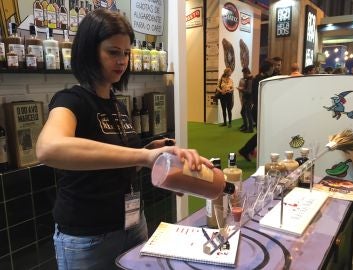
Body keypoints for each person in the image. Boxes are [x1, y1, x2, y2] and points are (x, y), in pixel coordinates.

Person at [35, 9, 213, 270]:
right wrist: (144, 155)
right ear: (89, 51)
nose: (122, 61)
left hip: (132, 225)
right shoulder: (71, 100)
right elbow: (48, 148)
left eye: (126, 53)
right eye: (113, 52)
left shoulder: (118, 105)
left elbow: (119, 161)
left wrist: (156, 153)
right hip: (88, 237)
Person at [239, 60, 274, 161]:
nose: (274, 69)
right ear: (268, 68)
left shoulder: (261, 78)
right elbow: (257, 96)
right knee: (262, 133)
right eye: (272, 67)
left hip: (259, 109)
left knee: (262, 133)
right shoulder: (260, 80)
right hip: (259, 109)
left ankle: (248, 150)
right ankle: (245, 150)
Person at [237, 67, 254, 133]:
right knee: (243, 112)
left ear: (246, 72)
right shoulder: (248, 79)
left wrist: (241, 89)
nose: (243, 75)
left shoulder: (249, 80)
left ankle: (250, 129)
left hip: (248, 99)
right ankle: (246, 126)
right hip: (246, 99)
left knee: (248, 113)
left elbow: (249, 91)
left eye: (244, 73)